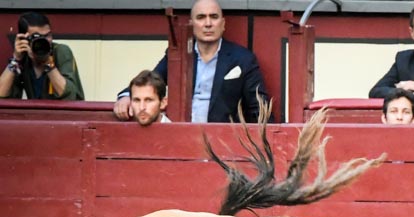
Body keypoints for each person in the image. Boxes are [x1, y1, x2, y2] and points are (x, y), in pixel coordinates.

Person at [113, 0, 267, 123]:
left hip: (223, 145)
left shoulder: (243, 59)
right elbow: (151, 81)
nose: (208, 24)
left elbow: (258, 108)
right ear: (192, 24)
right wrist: (126, 96)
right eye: (201, 17)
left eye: (214, 17)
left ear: (223, 23)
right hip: (180, 138)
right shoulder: (179, 55)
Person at [0, 11, 84, 100]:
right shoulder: (23, 57)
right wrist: (15, 60)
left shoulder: (60, 51)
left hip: (63, 113)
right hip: (37, 113)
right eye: (37, 37)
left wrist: (48, 63)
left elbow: (69, 96)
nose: (44, 41)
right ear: (23, 38)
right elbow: (1, 94)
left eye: (47, 35)